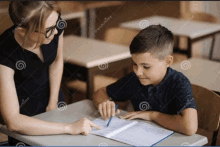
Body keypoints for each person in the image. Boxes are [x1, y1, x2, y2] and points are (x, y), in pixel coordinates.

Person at [0, 1, 100, 146]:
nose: (56, 32)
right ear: (22, 31)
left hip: (52, 100)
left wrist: (52, 103)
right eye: (48, 30)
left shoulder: (54, 25)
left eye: (57, 24)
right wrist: (69, 127)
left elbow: (56, 61)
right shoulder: (4, 53)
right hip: (26, 117)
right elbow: (14, 121)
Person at [93, 24, 198, 136]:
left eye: (146, 66)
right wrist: (105, 102)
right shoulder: (134, 79)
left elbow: (190, 127)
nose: (138, 72)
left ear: (167, 62)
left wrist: (152, 115)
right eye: (134, 64)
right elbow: (100, 92)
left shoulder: (179, 83)